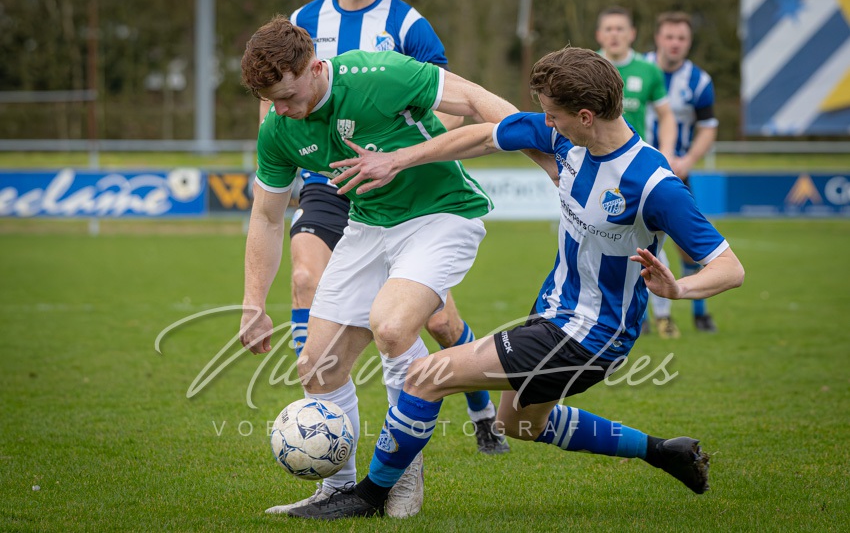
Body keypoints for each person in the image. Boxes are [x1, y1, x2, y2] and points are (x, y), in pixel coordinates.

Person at [285, 46, 745, 520]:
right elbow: (485, 136)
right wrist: (399, 159)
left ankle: (368, 497)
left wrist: (679, 289)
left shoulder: (653, 184)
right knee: (519, 423)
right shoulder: (567, 140)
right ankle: (665, 451)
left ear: (586, 116)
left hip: (591, 335)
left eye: (552, 115)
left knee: (426, 378)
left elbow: (729, 267)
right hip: (554, 313)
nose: (545, 123)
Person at [239, 15, 524, 518]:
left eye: (286, 96)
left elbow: (475, 99)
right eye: (270, 101)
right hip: (368, 227)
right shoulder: (278, 130)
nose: (280, 110)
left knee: (392, 327)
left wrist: (551, 151)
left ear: (315, 67)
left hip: (442, 214)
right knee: (316, 366)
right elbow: (265, 217)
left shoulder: (379, 73)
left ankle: (402, 469)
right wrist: (253, 303)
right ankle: (338, 490)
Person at [270, 0, 509, 469]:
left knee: (436, 322)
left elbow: (448, 103)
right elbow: (277, 102)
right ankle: (320, 407)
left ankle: (475, 408)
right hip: (330, 183)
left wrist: (408, 159)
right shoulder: (303, 22)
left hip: (407, 186)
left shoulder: (407, 25)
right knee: (305, 277)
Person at [596, 5, 680, 338]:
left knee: (649, 245)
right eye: (608, 29)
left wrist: (668, 152)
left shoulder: (648, 71)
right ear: (599, 35)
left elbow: (667, 115)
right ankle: (615, 315)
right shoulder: (588, 67)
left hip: (636, 172)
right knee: (600, 244)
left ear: (631, 34)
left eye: (620, 28)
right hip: (597, 170)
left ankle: (663, 316)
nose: (614, 34)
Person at [644, 11, 722, 335]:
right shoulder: (637, 69)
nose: (674, 43)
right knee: (629, 242)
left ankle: (699, 313)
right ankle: (641, 318)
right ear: (657, 38)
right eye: (669, 36)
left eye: (681, 38)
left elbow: (708, 127)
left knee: (688, 244)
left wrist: (688, 159)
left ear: (689, 43)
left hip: (675, 171)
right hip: (633, 169)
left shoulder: (699, 81)